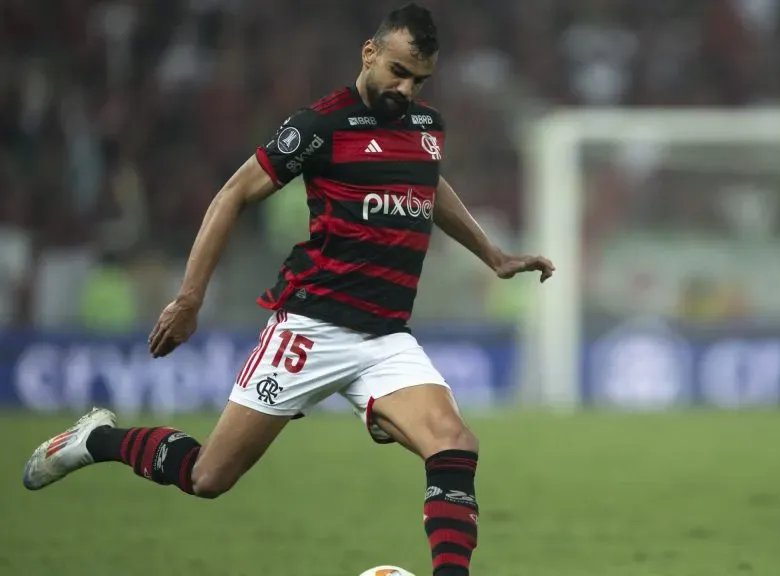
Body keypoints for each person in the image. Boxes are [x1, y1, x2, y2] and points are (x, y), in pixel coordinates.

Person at [21, 5, 554, 576]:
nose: (406, 88)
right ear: (369, 54)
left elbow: (428, 180)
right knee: (208, 477)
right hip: (310, 328)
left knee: (455, 444)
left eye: (419, 79)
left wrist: (492, 255)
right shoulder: (321, 125)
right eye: (398, 71)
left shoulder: (425, 128)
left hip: (385, 338)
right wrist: (190, 297)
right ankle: (98, 440)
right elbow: (233, 194)